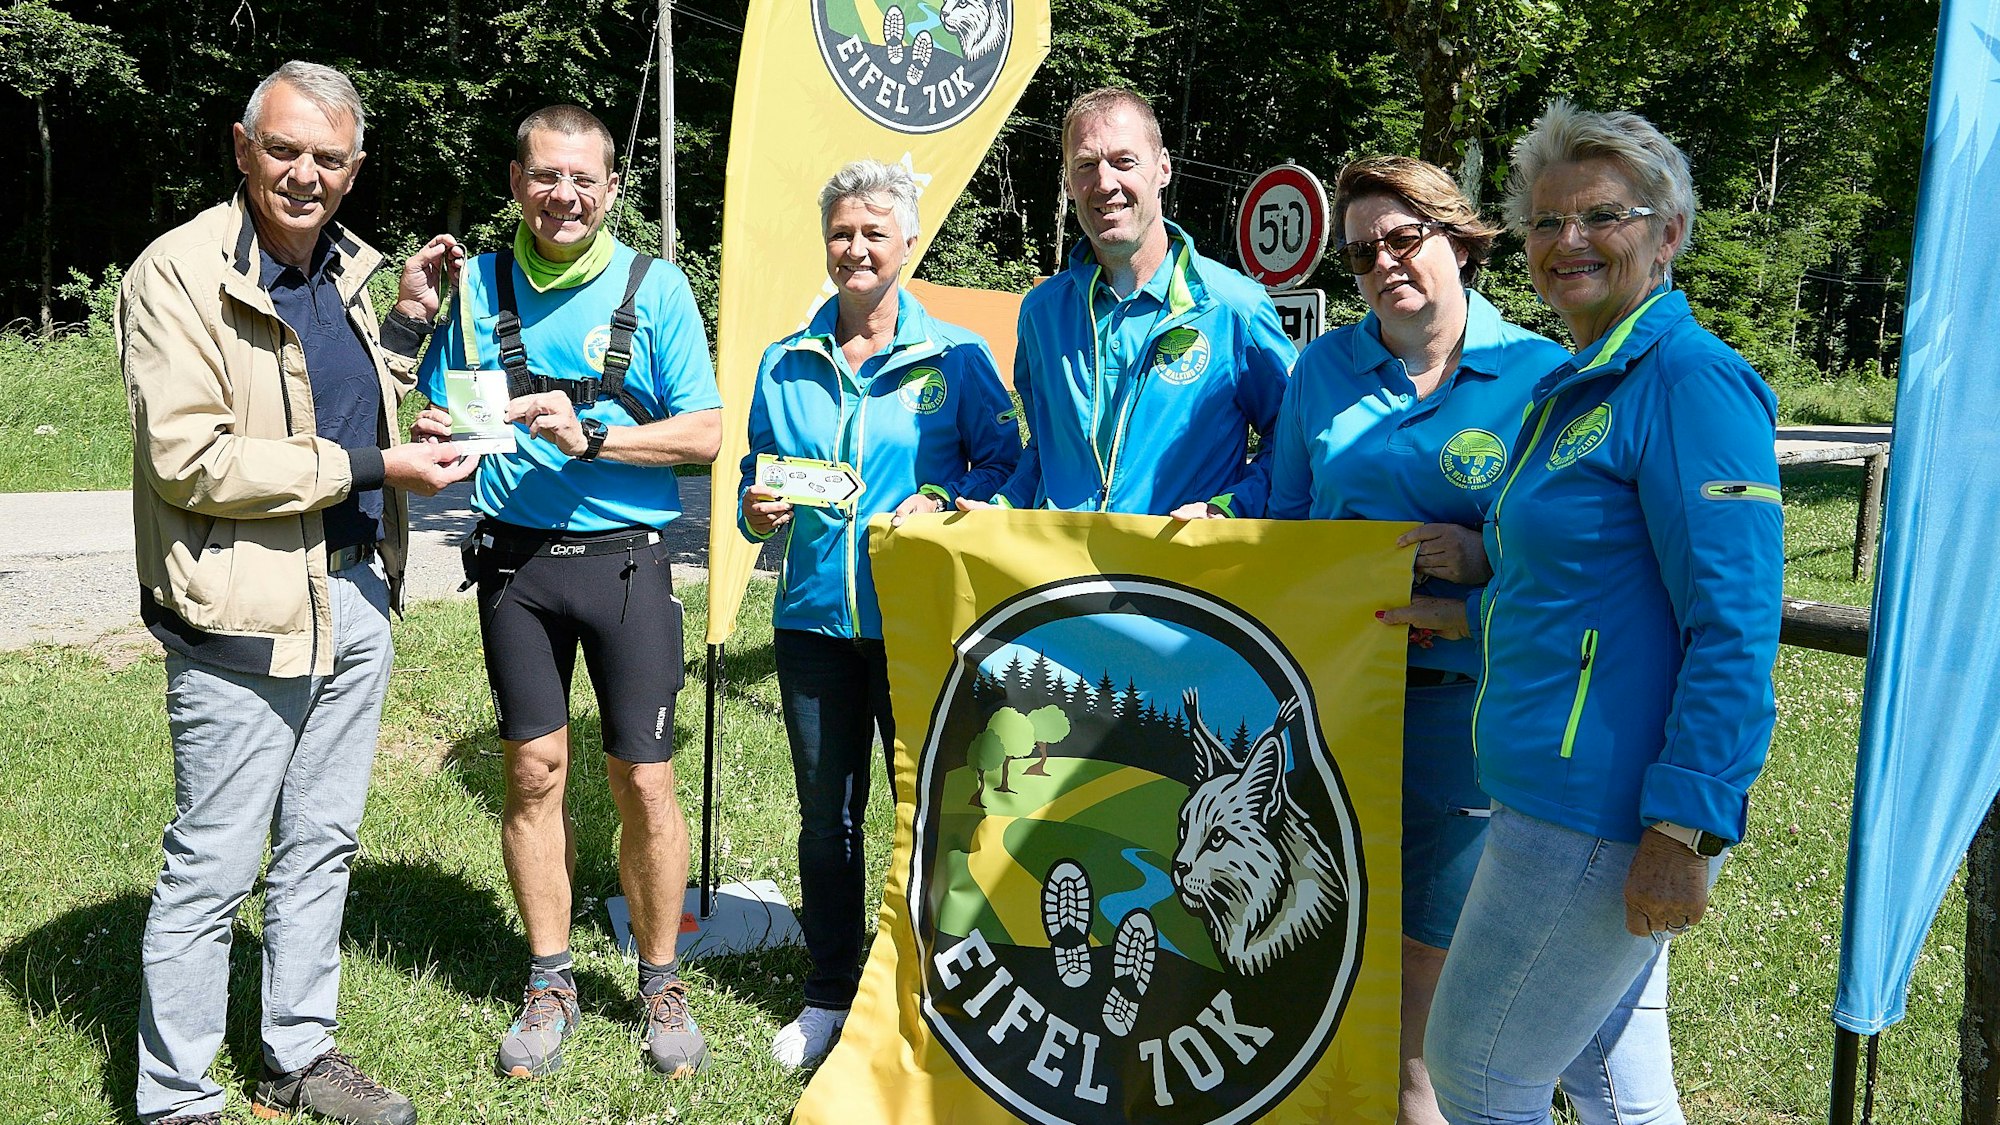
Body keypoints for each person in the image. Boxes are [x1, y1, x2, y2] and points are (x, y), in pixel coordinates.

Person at [1412, 101, 1784, 1125]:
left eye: (1602, 215)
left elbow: (1733, 622)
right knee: (1612, 1084)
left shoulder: (1690, 382)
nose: (1567, 239)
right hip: (1545, 791)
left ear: (1668, 234)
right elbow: (1580, 584)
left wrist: (1685, 825)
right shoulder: (1579, 384)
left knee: (1476, 1071)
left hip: (1602, 813)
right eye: (1545, 220)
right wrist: (1470, 598)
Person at [120, 61, 474, 1125]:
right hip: (243, 610)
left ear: (355, 168)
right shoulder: (178, 274)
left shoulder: (343, 270)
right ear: (243, 149)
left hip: (356, 592)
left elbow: (342, 401)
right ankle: (176, 1099)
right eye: (282, 150)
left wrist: (403, 330)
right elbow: (191, 461)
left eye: (328, 157)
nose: (304, 174)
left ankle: (297, 1054)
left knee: (322, 843)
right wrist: (374, 467)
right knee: (213, 866)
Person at [411, 104, 723, 1080]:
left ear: (612, 188)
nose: (564, 196)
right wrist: (436, 429)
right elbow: (437, 400)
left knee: (645, 779)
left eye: (583, 178)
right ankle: (549, 978)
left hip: (626, 561)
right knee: (534, 773)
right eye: (546, 176)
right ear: (517, 183)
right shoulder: (477, 285)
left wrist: (596, 438)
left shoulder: (654, 287)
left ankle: (660, 979)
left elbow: (707, 434)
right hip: (515, 566)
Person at [1264, 155, 1571, 1124]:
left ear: (1460, 242)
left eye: (1405, 239)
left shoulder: (1539, 374)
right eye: (1363, 254)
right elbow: (1282, 522)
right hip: (1335, 707)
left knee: (1433, 964)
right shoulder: (1320, 371)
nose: (1385, 264)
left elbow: (1577, 559)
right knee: (1329, 934)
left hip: (1466, 710)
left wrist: (1479, 560)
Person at [737, 159, 1021, 1069]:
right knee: (826, 820)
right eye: (841, 233)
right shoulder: (785, 361)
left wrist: (943, 499)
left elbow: (1005, 466)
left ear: (907, 242)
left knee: (934, 810)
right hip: (812, 624)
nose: (855, 248)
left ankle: (932, 983)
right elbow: (756, 477)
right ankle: (829, 990)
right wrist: (756, 510)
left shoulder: (958, 357)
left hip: (921, 625)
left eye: (873, 232)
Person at [956, 87, 1294, 516]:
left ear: (1163, 168)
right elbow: (1045, 450)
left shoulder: (1233, 307)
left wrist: (1231, 508)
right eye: (1086, 165)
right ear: (1070, 183)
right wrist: (1007, 505)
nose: (1104, 183)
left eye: (1123, 161)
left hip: (1179, 558)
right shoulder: (1041, 313)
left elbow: (1293, 439)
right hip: (1060, 560)